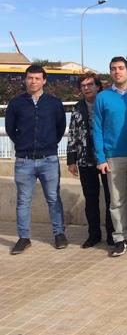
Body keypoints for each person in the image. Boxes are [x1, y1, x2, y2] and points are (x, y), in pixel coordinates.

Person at [7, 64, 67, 254]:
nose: (33, 81)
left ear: (44, 81)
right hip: (24, 161)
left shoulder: (54, 103)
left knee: (53, 198)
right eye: (30, 78)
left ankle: (59, 233)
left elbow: (59, 128)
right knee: (23, 200)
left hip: (48, 159)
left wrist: (47, 145)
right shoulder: (15, 104)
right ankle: (24, 238)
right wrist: (24, 145)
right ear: (25, 80)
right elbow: (10, 129)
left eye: (37, 78)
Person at [93, 56, 127, 257]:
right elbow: (97, 128)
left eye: (121, 68)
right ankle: (120, 238)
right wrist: (100, 157)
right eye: (113, 68)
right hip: (112, 157)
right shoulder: (103, 97)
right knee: (116, 201)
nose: (117, 71)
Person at [67, 72, 114, 248]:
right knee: (91, 199)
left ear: (98, 86)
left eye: (90, 85)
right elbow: (72, 134)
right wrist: (71, 160)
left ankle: (112, 234)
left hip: (105, 158)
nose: (87, 88)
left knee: (111, 198)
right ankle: (93, 234)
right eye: (83, 86)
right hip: (85, 160)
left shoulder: (105, 104)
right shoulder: (78, 107)